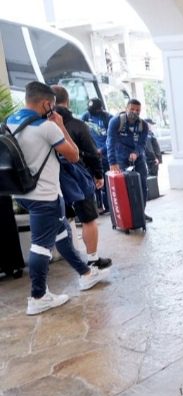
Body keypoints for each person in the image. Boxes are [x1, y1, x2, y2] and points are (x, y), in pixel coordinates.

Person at [8, 82, 110, 315]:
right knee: (41, 246)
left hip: (22, 193)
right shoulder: (46, 127)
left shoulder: (9, 123)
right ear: (46, 104)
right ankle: (38, 296)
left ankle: (85, 274)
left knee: (62, 231)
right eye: (51, 106)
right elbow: (73, 155)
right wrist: (61, 126)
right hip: (45, 196)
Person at [51, 86, 113, 270]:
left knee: (61, 219)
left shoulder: (40, 125)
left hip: (52, 180)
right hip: (78, 178)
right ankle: (92, 259)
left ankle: (68, 258)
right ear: (67, 101)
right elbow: (93, 154)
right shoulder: (77, 124)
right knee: (88, 219)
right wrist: (98, 174)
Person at [106, 99, 153, 222]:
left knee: (142, 185)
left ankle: (141, 213)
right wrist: (112, 162)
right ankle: (126, 215)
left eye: (137, 110)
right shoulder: (116, 122)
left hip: (138, 159)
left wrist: (136, 153)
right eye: (132, 109)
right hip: (121, 159)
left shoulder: (143, 125)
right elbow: (110, 142)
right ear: (126, 108)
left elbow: (142, 144)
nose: (134, 112)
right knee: (124, 188)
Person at [82, 98, 112, 214]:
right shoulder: (85, 117)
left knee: (106, 182)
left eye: (94, 111)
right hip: (91, 155)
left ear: (100, 109)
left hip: (104, 156)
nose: (91, 113)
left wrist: (102, 150)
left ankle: (109, 206)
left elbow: (111, 139)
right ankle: (98, 206)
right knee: (93, 182)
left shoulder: (108, 118)